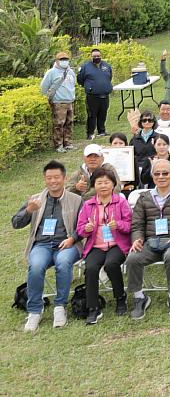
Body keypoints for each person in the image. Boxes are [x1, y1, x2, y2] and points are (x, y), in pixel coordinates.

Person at [12, 161, 83, 331]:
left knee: (63, 263)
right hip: (42, 245)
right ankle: (35, 310)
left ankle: (60, 307)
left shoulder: (76, 200)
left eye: (56, 177)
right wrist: (29, 210)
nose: (53, 181)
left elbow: (84, 226)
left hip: (66, 243)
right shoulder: (36, 199)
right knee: (35, 266)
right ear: (44, 179)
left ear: (64, 178)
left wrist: (72, 239)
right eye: (49, 178)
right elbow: (15, 223)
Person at [125, 158, 170, 320]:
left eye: (165, 173)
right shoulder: (144, 197)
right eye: (157, 173)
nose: (161, 176)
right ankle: (139, 297)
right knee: (133, 258)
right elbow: (137, 224)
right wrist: (137, 239)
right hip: (150, 242)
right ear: (152, 176)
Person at [76, 167, 131, 324]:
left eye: (107, 182)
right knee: (91, 268)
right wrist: (86, 229)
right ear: (94, 186)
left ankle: (120, 297)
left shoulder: (120, 201)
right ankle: (93, 308)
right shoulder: (88, 205)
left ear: (113, 184)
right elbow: (80, 229)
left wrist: (119, 225)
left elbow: (130, 225)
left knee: (112, 264)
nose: (103, 186)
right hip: (96, 245)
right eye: (99, 183)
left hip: (117, 244)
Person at [40, 51, 77, 153]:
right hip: (58, 102)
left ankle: (68, 143)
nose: (64, 61)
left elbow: (73, 84)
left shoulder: (71, 72)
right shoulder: (51, 72)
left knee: (69, 123)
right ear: (57, 61)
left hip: (69, 101)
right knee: (59, 124)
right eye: (62, 59)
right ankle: (58, 145)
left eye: (66, 59)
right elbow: (44, 87)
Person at [77, 47, 113, 140]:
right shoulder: (85, 67)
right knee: (92, 115)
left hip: (105, 95)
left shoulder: (106, 66)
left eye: (98, 56)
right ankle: (90, 133)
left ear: (101, 56)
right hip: (92, 96)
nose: (96, 57)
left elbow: (109, 77)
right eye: (94, 56)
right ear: (91, 57)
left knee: (103, 114)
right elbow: (80, 80)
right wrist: (90, 87)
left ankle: (101, 131)